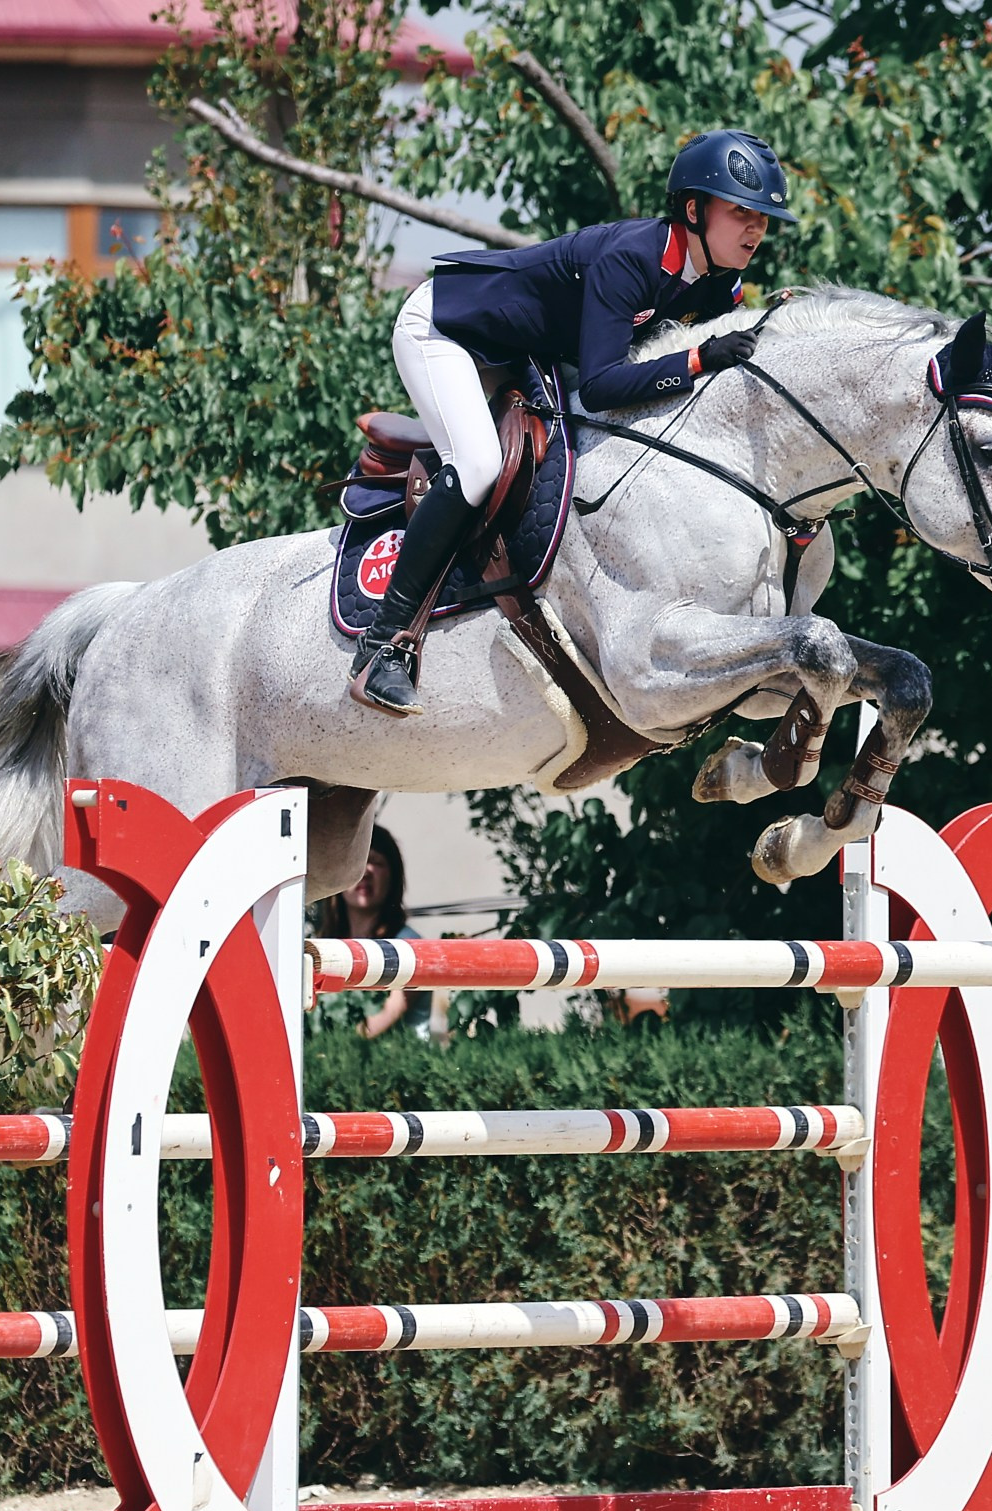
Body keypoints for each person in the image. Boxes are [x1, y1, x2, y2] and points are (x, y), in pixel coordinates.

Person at [349, 129, 799, 715]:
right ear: (693, 210)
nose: (756, 228)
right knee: (481, 463)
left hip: (526, 353)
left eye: (763, 217)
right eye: (741, 211)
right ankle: (383, 642)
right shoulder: (630, 259)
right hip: (448, 332)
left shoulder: (720, 283)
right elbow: (604, 384)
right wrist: (695, 359)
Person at [312, 826, 445, 1040]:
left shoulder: (409, 946)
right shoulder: (327, 945)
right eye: (356, 864)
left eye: (376, 862)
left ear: (393, 876)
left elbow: (375, 1025)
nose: (365, 872)